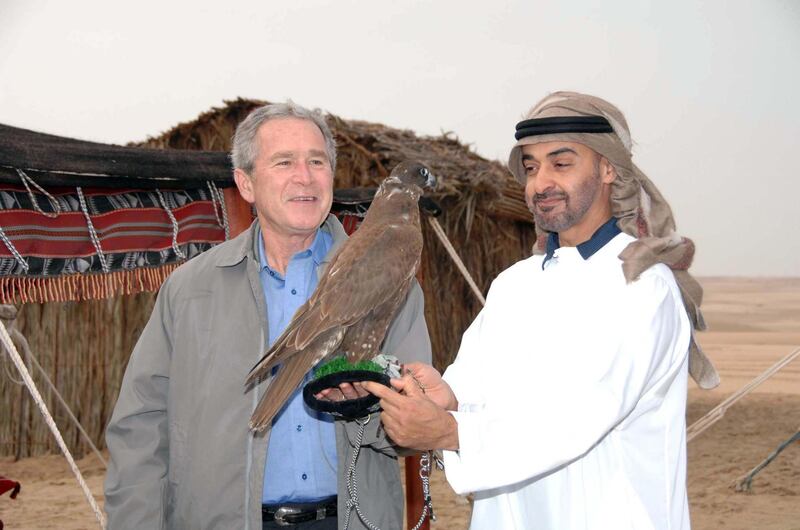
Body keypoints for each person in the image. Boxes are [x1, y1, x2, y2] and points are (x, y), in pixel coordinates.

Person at [364, 91, 718, 529]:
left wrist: (450, 431)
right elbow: (478, 382)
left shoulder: (642, 285)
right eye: (531, 167)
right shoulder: (516, 284)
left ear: (608, 168)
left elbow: (578, 415)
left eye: (561, 163)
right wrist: (446, 396)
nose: (540, 181)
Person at [104, 101, 432, 529]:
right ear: (246, 183)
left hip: (351, 518)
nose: (305, 176)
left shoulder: (393, 271)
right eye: (284, 162)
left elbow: (415, 419)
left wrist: (370, 404)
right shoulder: (189, 290)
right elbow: (140, 430)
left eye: (317, 161)